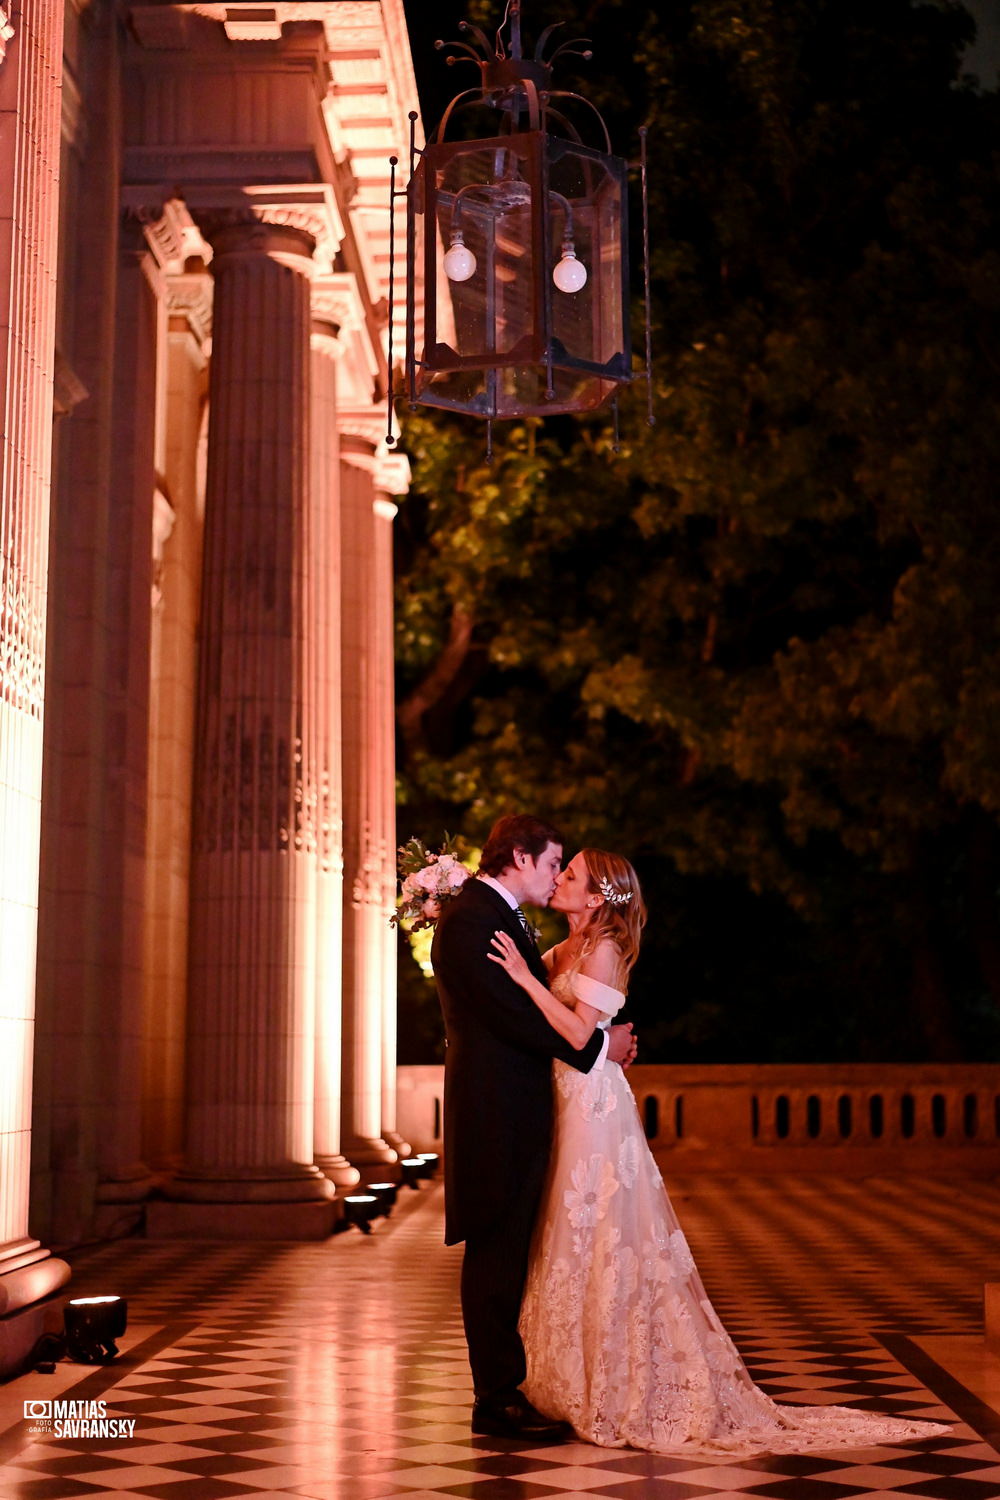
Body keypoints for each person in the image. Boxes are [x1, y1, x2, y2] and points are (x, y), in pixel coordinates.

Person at [489, 847, 950, 1456]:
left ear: (598, 897)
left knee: (600, 1233)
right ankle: (566, 1379)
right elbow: (550, 1014)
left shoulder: (603, 949)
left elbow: (576, 1032)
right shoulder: (564, 950)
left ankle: (620, 1385)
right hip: (563, 1099)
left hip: (594, 1109)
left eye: (570, 875)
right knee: (566, 1234)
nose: (559, 880)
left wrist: (529, 983)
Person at [431, 815, 638, 1442]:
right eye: (554, 864)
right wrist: (598, 1047)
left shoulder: (499, 918)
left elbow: (538, 1003)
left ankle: (514, 1387)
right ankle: (495, 1399)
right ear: (520, 858)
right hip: (497, 1114)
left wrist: (597, 1038)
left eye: (566, 872)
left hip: (521, 1110)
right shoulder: (473, 919)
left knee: (520, 1250)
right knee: (497, 1251)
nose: (555, 878)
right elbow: (514, 1016)